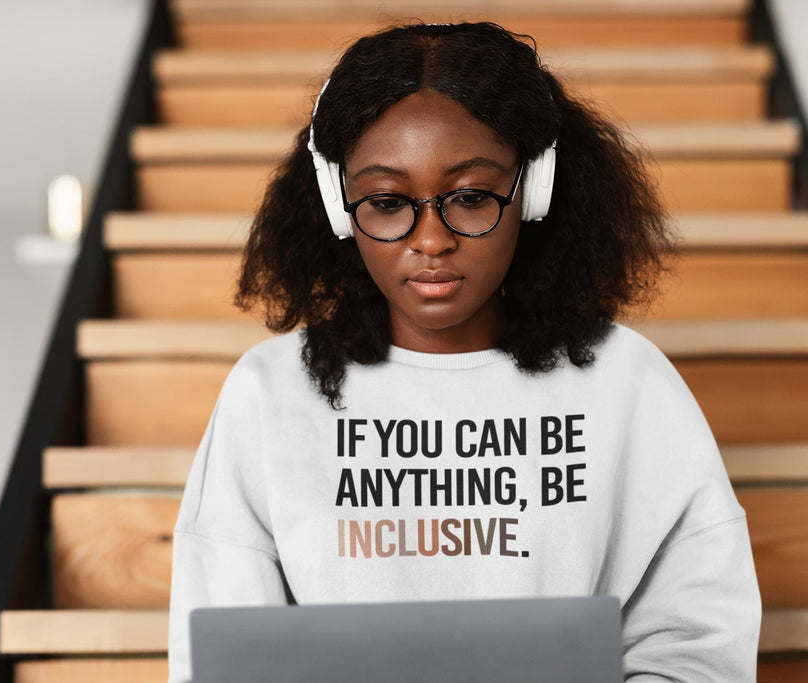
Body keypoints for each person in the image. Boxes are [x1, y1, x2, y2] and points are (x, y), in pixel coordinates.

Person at [168, 21, 760, 683]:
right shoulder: (268, 394)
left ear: (534, 189)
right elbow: (224, 657)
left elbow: (695, 642)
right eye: (388, 202)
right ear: (340, 205)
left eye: (472, 196)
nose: (431, 240)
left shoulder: (630, 382)